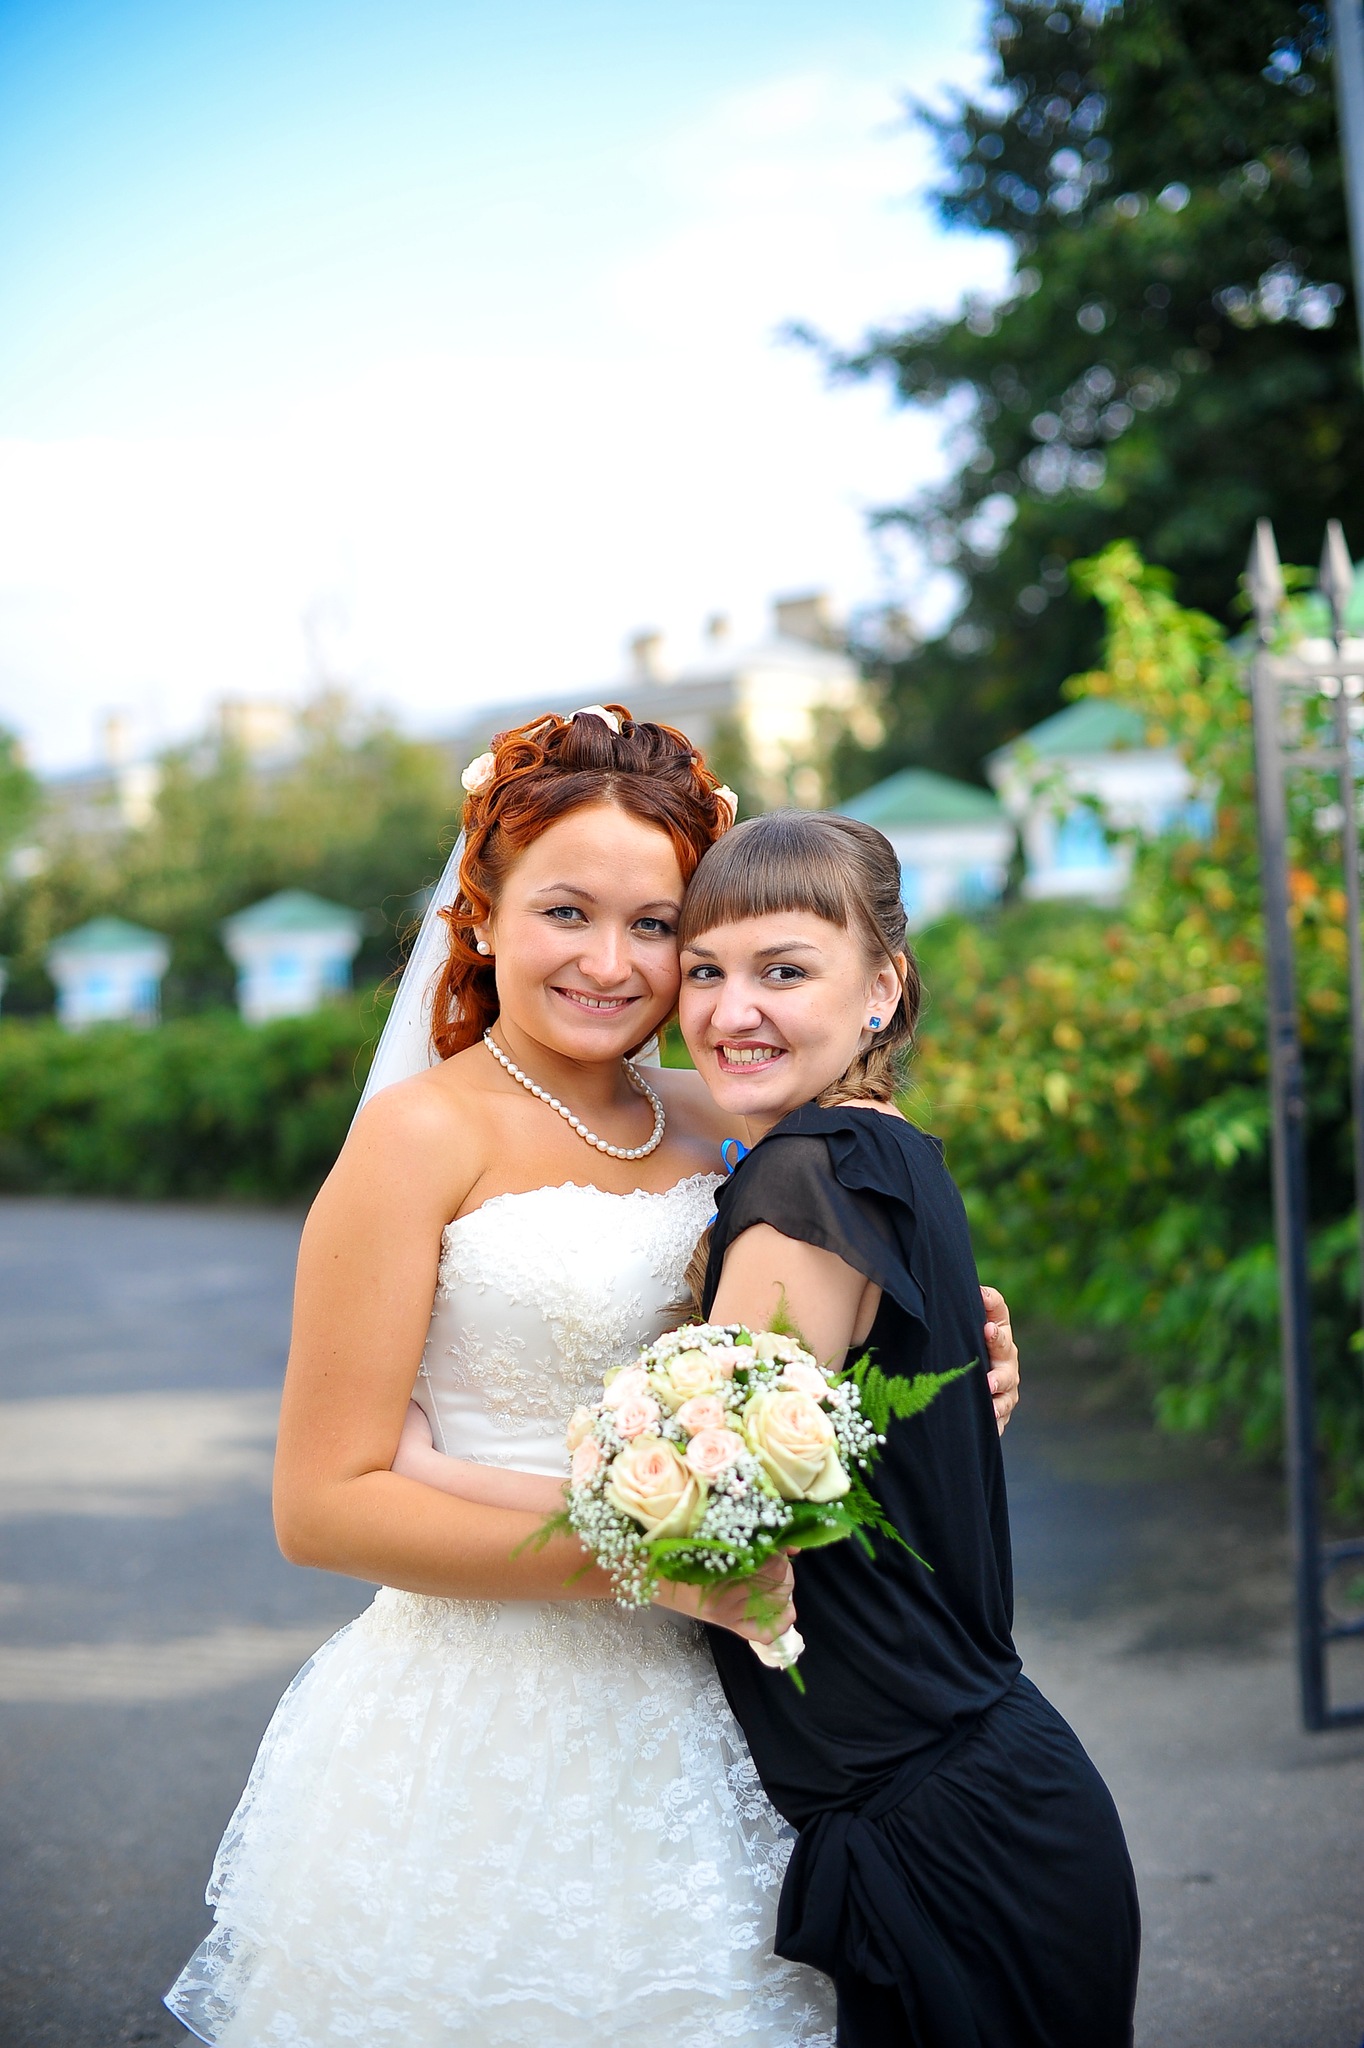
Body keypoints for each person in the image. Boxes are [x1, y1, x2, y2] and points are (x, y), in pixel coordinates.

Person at [164, 707, 1019, 2047]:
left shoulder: (730, 1112)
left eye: (655, 924)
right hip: (491, 1714)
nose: (611, 965)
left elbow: (815, 1337)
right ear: (482, 913)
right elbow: (321, 1505)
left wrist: (950, 1377)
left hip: (745, 1707)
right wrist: (654, 1564)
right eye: (566, 912)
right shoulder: (415, 1141)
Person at [675, 807, 1140, 2048]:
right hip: (985, 1801)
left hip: (942, 1843)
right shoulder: (885, 1151)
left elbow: (713, 1524)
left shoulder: (803, 1178)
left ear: (881, 986)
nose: (730, 1009)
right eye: (703, 970)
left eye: (782, 970)